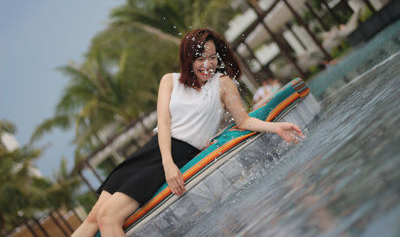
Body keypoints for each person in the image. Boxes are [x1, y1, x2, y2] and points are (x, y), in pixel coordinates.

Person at [72, 29, 305, 237]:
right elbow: (163, 123)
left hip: (182, 153)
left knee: (108, 218)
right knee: (93, 217)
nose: (208, 63)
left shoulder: (222, 84)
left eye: (212, 57)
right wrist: (167, 164)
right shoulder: (170, 80)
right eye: (200, 57)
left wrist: (276, 127)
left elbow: (244, 121)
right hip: (154, 153)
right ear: (188, 59)